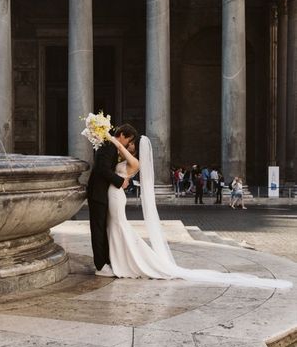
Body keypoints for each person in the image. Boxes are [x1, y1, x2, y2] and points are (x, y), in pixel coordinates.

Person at [103, 134, 291, 289]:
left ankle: (126, 261)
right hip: (115, 193)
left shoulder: (134, 162)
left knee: (120, 226)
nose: (130, 146)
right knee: (117, 227)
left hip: (117, 195)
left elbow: (124, 157)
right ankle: (120, 259)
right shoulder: (126, 160)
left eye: (133, 143)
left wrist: (115, 141)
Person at [87, 123, 138, 276]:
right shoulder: (109, 146)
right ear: (122, 135)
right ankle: (101, 266)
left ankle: (106, 261)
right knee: (98, 229)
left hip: (103, 193)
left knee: (103, 228)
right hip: (98, 193)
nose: (128, 144)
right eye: (128, 140)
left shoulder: (111, 145)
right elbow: (101, 169)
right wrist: (120, 181)